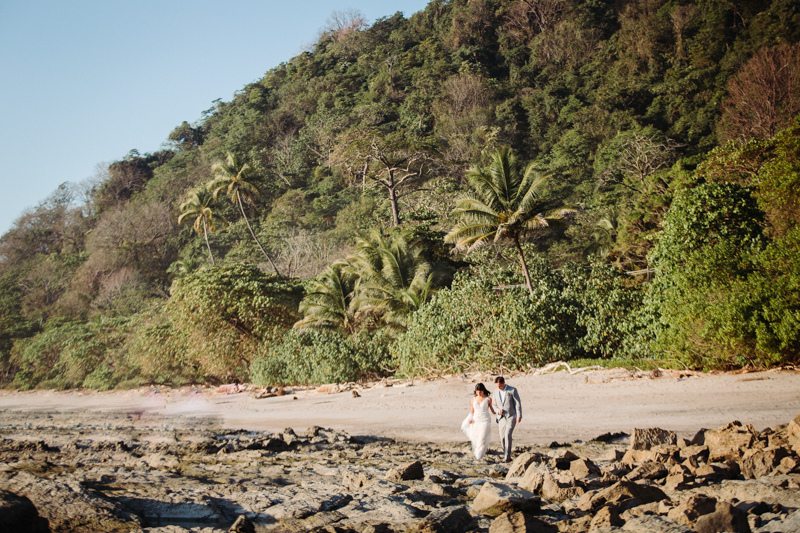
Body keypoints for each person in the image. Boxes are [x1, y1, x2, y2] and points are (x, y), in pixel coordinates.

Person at [460, 383, 496, 460]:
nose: (479, 393)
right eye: (477, 391)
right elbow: (472, 411)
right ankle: (480, 454)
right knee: (476, 438)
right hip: (476, 421)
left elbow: (493, 410)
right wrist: (470, 419)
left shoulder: (488, 399)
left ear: (483, 391)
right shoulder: (473, 400)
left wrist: (498, 409)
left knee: (482, 438)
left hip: (485, 420)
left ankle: (479, 456)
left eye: (480, 391)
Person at [491, 376, 522, 463]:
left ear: (504, 383)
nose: (498, 387)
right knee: (502, 437)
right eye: (497, 386)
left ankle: (507, 456)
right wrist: (497, 410)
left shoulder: (512, 390)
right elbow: (494, 405)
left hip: (511, 416)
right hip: (501, 417)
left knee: (508, 434)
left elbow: (517, 403)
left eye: (500, 386)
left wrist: (519, 415)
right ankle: (506, 453)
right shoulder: (495, 392)